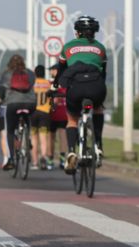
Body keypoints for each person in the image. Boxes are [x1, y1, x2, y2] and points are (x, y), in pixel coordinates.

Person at [52, 16, 107, 174]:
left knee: (72, 119)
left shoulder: (68, 47)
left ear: (77, 32)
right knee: (98, 109)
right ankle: (98, 145)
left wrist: (56, 84)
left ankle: (70, 151)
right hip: (97, 87)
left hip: (76, 88)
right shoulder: (101, 48)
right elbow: (104, 73)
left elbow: (61, 70)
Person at [0, 55, 36, 171]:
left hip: (13, 104)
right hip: (30, 103)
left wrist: (3, 98)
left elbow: (2, 90)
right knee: (27, 117)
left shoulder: (7, 73)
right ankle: (27, 136)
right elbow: (32, 84)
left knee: (10, 131)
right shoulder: (29, 73)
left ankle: (11, 159)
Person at [30, 65, 52, 170]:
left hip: (33, 112)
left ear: (35, 73)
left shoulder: (32, 84)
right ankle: (43, 157)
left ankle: (34, 162)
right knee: (43, 138)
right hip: (45, 113)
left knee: (34, 138)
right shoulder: (48, 83)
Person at [48, 63, 68, 169]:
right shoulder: (66, 84)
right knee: (63, 136)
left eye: (52, 70)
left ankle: (50, 159)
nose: (50, 72)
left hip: (52, 114)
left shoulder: (51, 83)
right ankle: (62, 159)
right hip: (64, 113)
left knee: (51, 137)